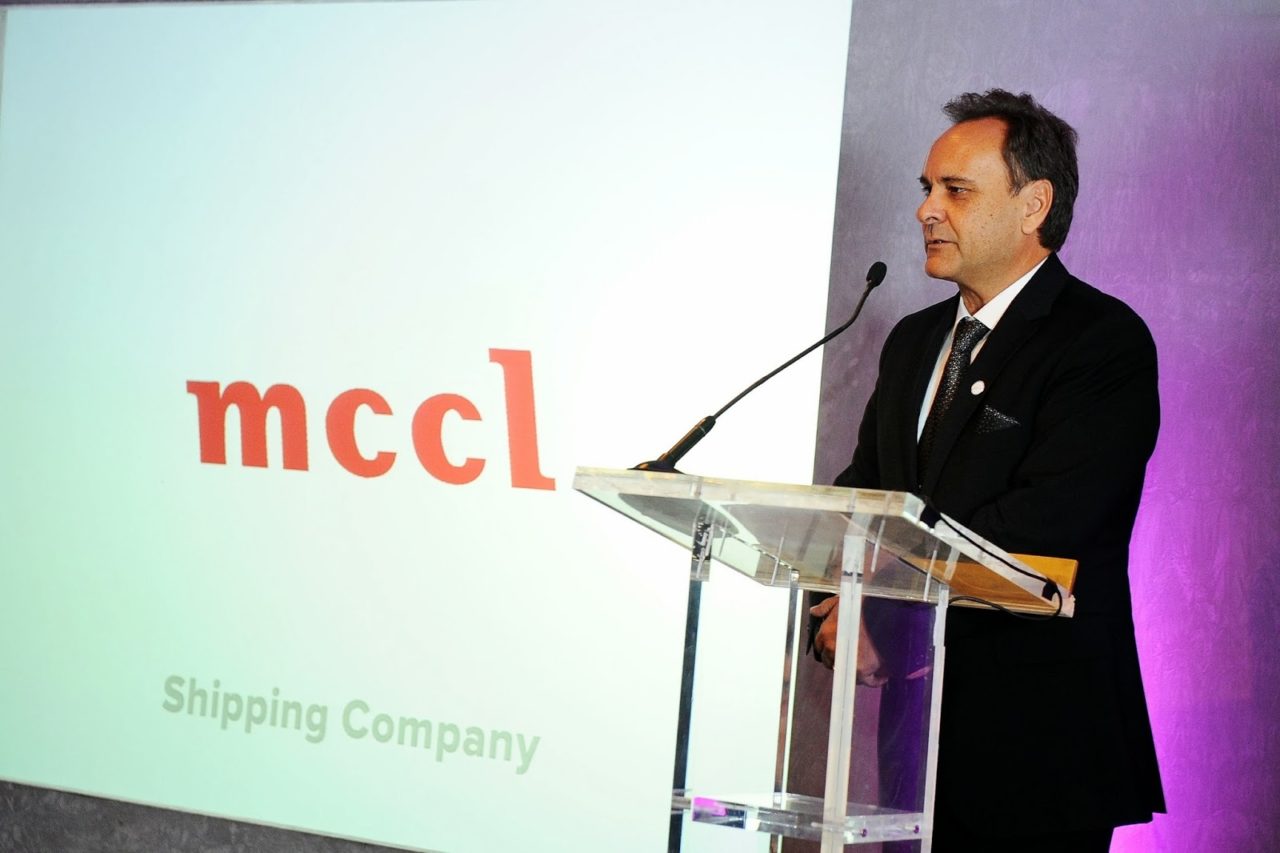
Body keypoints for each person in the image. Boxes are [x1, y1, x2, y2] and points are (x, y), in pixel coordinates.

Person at [811, 90, 1165, 851]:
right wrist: (834, 597)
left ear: (1034, 204)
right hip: (916, 745)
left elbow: (1047, 523)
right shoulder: (913, 340)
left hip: (1040, 749)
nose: (926, 210)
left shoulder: (1100, 342)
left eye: (956, 190)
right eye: (926, 188)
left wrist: (884, 616)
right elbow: (867, 492)